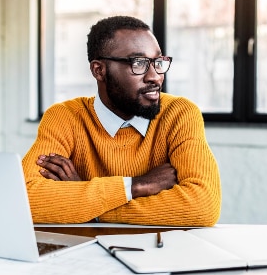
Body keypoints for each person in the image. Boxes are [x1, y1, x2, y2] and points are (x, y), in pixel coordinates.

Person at [22, 15, 221, 226]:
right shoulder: (65, 117)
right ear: (99, 70)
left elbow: (203, 205)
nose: (155, 76)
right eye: (139, 63)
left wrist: (89, 208)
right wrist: (136, 186)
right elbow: (24, 197)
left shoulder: (179, 114)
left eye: (158, 62)